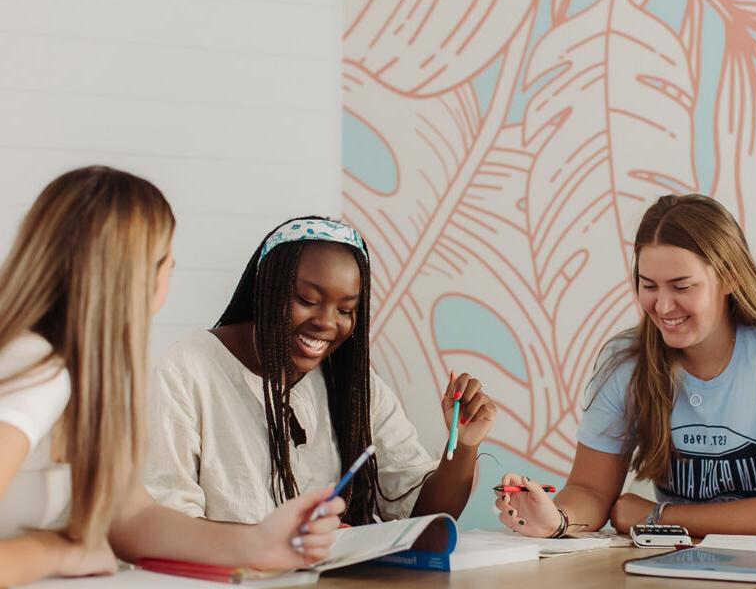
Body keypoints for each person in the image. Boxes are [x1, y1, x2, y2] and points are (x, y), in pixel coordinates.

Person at [0, 167, 342, 586]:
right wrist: (56, 550)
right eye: (166, 262)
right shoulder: (34, 373)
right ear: (136, 275)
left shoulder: (87, 381)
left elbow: (132, 519)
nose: (169, 274)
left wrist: (260, 541)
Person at [496, 194, 756, 538]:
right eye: (648, 286)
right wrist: (557, 519)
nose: (663, 306)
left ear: (730, 277)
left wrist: (657, 515)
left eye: (682, 286)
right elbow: (591, 490)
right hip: (682, 556)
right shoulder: (625, 362)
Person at [145, 217, 496, 526]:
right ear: (266, 290)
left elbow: (422, 516)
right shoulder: (189, 369)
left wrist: (463, 446)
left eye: (346, 309)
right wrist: (282, 543)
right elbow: (167, 523)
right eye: (307, 300)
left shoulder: (352, 383)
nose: (327, 323)